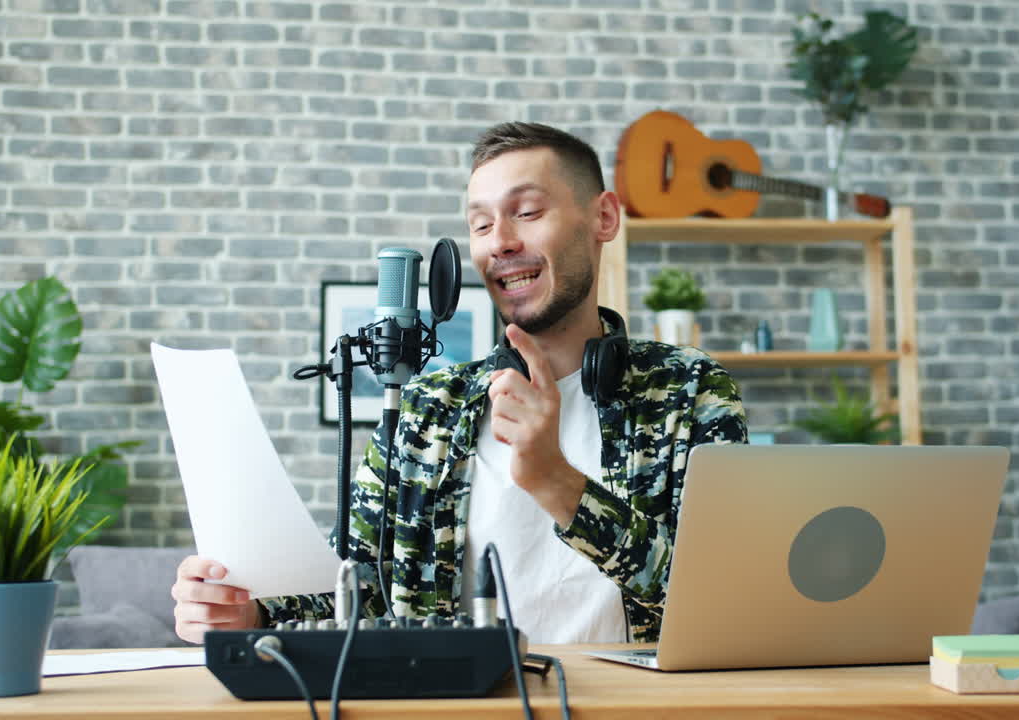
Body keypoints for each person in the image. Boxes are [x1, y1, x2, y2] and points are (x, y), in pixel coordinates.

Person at [171, 122, 748, 645]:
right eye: (480, 223)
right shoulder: (426, 410)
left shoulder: (691, 391)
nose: (499, 240)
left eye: (526, 212)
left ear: (603, 218)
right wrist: (248, 615)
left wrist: (557, 484)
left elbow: (721, 600)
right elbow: (359, 592)